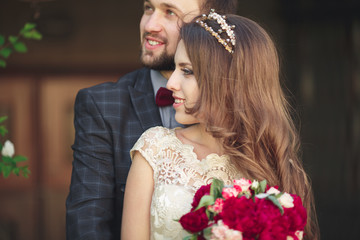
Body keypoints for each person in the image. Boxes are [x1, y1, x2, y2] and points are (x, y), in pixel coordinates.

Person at [122, 11, 320, 240]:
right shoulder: (155, 149)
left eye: (186, 71)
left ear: (227, 80)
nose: (171, 83)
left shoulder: (277, 165)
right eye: (175, 68)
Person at [66, 0, 238, 239]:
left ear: (210, 25)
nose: (150, 24)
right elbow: (87, 226)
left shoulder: (252, 127)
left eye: (170, 12)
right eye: (148, 8)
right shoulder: (103, 105)